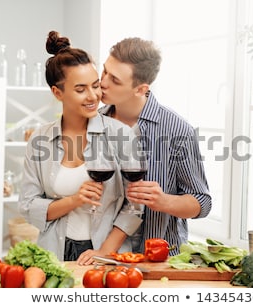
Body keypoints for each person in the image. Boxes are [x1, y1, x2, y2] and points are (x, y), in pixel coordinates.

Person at [18, 31, 142, 265]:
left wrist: (104, 251)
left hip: (106, 254)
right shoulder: (40, 139)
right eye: (80, 89)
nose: (93, 96)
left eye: (95, 86)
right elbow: (27, 205)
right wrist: (74, 200)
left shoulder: (120, 134)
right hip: (53, 253)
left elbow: (135, 205)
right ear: (58, 93)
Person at [99, 37, 212, 254]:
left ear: (140, 89)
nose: (103, 83)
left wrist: (163, 201)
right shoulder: (94, 122)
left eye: (115, 79)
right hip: (101, 255)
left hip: (157, 260)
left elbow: (202, 203)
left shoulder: (177, 130)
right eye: (104, 71)